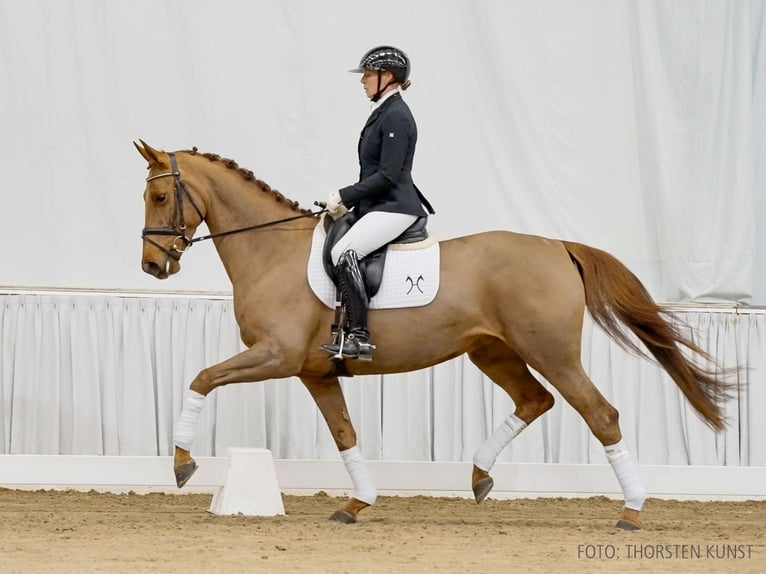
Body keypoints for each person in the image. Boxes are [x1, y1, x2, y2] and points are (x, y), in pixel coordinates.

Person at [321, 45, 434, 361]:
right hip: (378, 204)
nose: (363, 81)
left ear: (389, 77)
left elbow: (387, 175)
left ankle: (358, 336)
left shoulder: (397, 115)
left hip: (396, 206)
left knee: (345, 251)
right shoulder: (384, 111)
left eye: (368, 75)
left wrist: (345, 194)